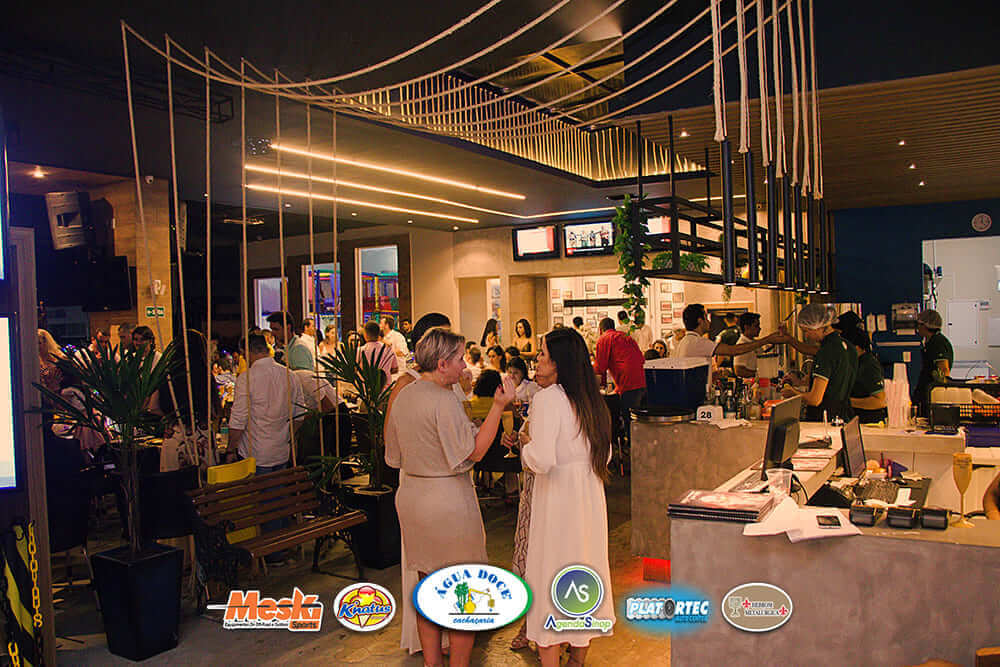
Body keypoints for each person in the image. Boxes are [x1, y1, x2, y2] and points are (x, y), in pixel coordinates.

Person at [384, 328, 516, 666]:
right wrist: (498, 406)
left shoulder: (404, 395)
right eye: (459, 359)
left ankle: (432, 662)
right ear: (442, 363)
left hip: (412, 495)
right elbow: (474, 452)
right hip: (446, 499)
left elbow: (393, 455)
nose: (464, 366)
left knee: (427, 584)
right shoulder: (443, 399)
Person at [507, 327, 615, 666]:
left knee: (549, 577)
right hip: (588, 498)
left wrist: (525, 446)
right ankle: (577, 659)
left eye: (542, 355)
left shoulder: (548, 399)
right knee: (584, 572)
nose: (536, 362)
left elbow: (541, 459)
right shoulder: (592, 400)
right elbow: (607, 455)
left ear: (558, 362)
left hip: (556, 501)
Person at [227, 333, 306, 471]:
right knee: (280, 485)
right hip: (282, 452)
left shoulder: (246, 378)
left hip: (255, 454)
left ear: (246, 352)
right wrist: (287, 437)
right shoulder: (290, 375)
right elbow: (299, 415)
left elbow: (238, 420)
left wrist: (230, 449)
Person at [781, 304, 858, 422]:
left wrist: (792, 393)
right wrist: (802, 382)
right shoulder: (848, 347)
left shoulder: (826, 352)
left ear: (817, 326)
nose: (806, 336)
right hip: (844, 415)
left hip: (825, 419)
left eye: (806, 331)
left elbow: (815, 399)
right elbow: (836, 380)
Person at [158, 329, 221, 471]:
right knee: (203, 480)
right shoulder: (205, 374)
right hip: (202, 436)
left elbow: (153, 405)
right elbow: (215, 409)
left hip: (176, 433)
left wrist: (170, 417)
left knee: (175, 482)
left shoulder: (168, 375)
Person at [676, 304, 783, 365]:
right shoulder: (697, 342)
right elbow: (734, 350)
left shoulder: (686, 341)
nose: (709, 321)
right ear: (700, 321)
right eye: (706, 318)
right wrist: (767, 340)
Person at [594, 317, 646, 413]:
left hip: (627, 383)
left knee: (627, 416)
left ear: (600, 330)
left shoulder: (604, 338)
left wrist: (599, 386)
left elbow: (600, 367)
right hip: (641, 380)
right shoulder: (626, 336)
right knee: (636, 416)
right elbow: (640, 359)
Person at [913, 309, 953, 416]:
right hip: (927, 388)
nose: (917, 328)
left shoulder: (938, 342)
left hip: (933, 392)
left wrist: (938, 394)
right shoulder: (930, 341)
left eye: (918, 325)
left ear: (925, 326)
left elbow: (944, 370)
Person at [844, 329, 888, 424]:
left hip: (869, 422)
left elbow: (880, 401)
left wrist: (847, 402)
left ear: (857, 348)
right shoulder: (856, 363)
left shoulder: (868, 365)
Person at [358, 320, 398, 384]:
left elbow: (356, 369)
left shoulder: (360, 351)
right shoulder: (388, 349)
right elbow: (395, 369)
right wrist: (384, 372)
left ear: (365, 334)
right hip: (386, 386)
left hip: (366, 386)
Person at [733, 312, 763, 378]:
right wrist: (760, 374)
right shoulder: (742, 345)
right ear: (747, 327)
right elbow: (738, 371)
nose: (759, 328)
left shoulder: (753, 342)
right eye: (756, 326)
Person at [38, 329, 65, 395]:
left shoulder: (61, 361)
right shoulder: (36, 362)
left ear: (46, 343)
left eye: (39, 343)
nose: (36, 346)